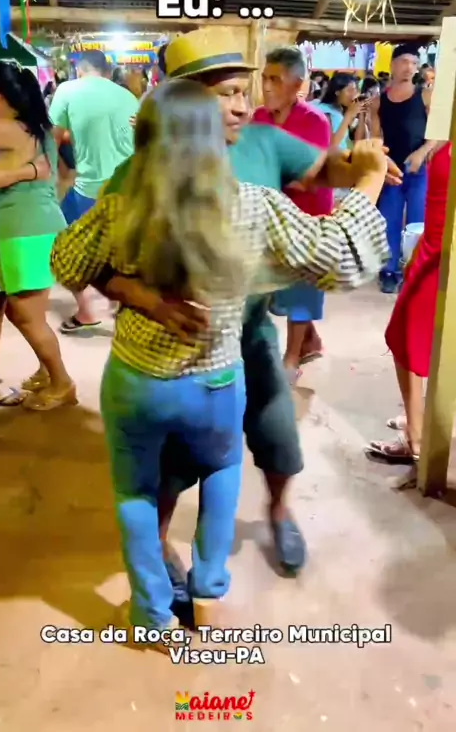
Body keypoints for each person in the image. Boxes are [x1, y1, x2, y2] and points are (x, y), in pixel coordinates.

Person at [50, 78, 391, 635]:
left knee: (135, 493)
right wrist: (370, 177)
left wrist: (137, 294)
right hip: (212, 381)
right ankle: (207, 594)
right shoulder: (250, 206)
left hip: (136, 382)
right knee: (222, 470)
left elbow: (65, 261)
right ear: (215, 138)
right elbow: (341, 256)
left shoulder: (118, 207)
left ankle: (152, 615)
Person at [0, 60, 75, 411]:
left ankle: (62, 382)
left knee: (25, 315)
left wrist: (25, 177)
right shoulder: (39, 128)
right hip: (33, 227)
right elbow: (66, 172)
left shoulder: (10, 129)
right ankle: (48, 371)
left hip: (25, 232)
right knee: (28, 312)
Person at [366, 142, 450, 462]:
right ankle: (420, 422)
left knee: (407, 338)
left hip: (440, 257)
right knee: (412, 339)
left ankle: (417, 437)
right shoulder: (443, 139)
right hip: (431, 251)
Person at [253, 46, 331, 380]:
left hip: (307, 220)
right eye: (264, 78)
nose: (266, 87)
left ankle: (291, 359)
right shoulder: (258, 118)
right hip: (271, 217)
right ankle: (310, 341)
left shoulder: (314, 122)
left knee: (300, 291)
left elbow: (306, 178)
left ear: (297, 85)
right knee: (273, 291)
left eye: (275, 79)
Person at [50, 49, 138, 332]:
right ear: (108, 72)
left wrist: (52, 174)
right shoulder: (128, 96)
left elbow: (51, 138)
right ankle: (121, 304)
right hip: (129, 187)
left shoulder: (67, 90)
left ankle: (87, 312)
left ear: (79, 69)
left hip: (90, 188)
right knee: (121, 249)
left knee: (63, 249)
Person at [371, 44, 436, 294]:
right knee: (390, 221)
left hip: (419, 169)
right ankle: (389, 271)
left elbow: (438, 133)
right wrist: (383, 162)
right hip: (392, 171)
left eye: (414, 63)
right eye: (404, 62)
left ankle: (415, 271)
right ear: (393, 65)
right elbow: (376, 137)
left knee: (418, 224)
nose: (409, 67)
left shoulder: (425, 96)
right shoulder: (379, 101)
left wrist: (422, 152)